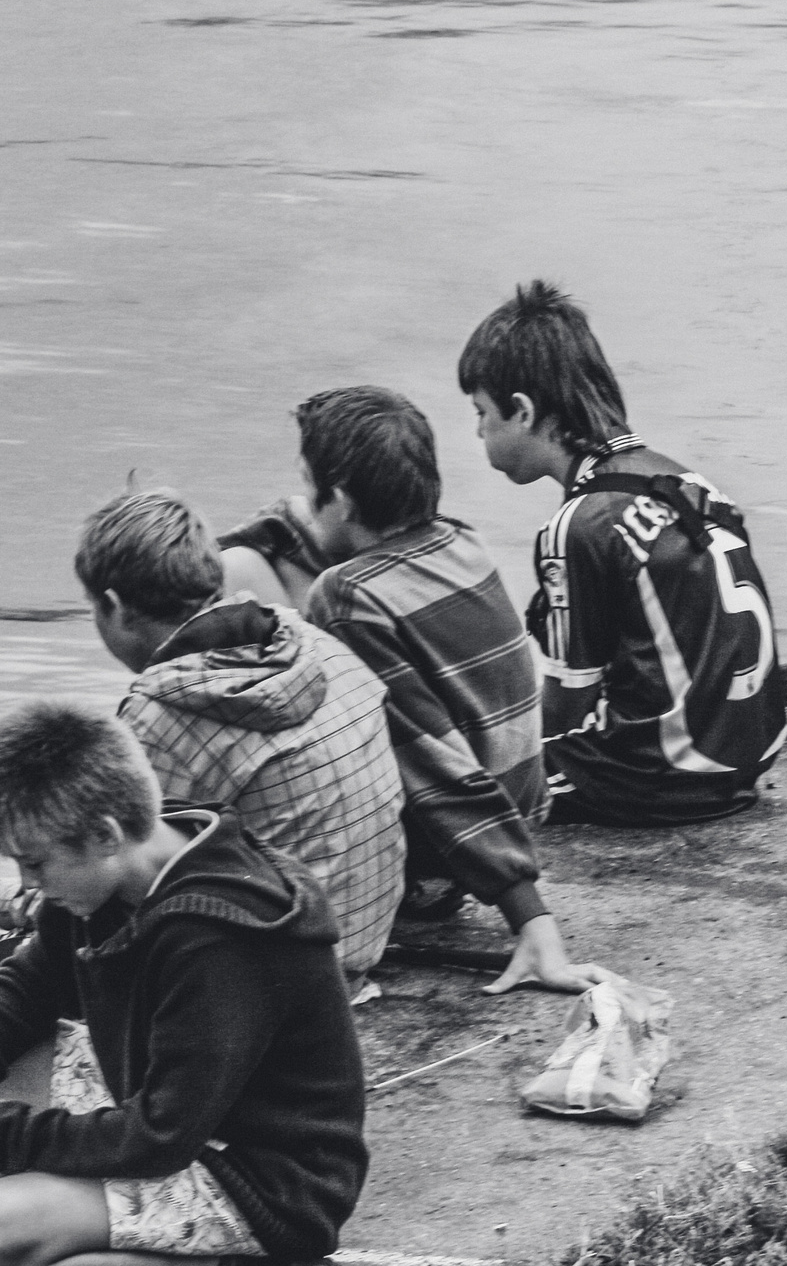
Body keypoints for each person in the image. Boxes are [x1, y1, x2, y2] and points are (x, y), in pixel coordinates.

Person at [0, 700, 364, 1266]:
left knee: (1, 1231)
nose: (29, 882)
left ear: (103, 833)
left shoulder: (219, 937)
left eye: (35, 862)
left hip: (264, 1176)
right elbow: (36, 973)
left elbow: (159, 1135)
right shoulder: (125, 868)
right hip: (178, 1118)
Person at [0, 491, 407, 1074]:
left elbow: (96, 885)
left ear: (116, 605)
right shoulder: (315, 643)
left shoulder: (161, 712)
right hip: (350, 946)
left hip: (250, 977)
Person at [220, 386, 601, 996]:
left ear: (341, 500)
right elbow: (296, 523)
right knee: (249, 566)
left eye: (309, 486)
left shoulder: (346, 596)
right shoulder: (461, 540)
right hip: (517, 809)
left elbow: (434, 764)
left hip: (446, 856)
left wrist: (530, 918)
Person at [458, 280, 787, 827]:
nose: (477, 431)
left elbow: (565, 704)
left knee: (462, 781)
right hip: (746, 757)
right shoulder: (683, 481)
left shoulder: (578, 525)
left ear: (521, 411)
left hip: (659, 780)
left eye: (480, 413)